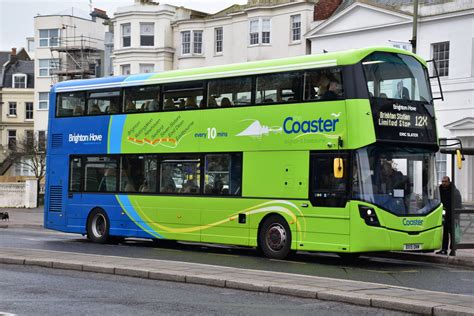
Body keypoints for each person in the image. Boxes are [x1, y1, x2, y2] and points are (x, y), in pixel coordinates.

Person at [437, 176, 462, 256]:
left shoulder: (454, 191)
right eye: (442, 181)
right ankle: (444, 249)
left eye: (445, 181)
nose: (443, 183)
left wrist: (456, 217)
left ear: (449, 182)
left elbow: (458, 204)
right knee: (445, 233)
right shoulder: (439, 190)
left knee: (452, 233)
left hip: (452, 215)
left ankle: (452, 250)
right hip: (444, 214)